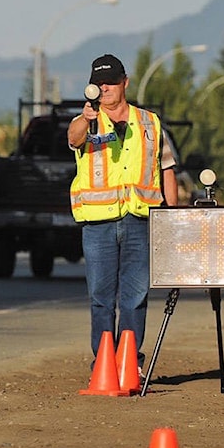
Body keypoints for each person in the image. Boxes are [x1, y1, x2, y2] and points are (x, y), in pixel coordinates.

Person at [66, 53, 178, 373]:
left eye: (111, 82)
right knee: (101, 297)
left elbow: (166, 167)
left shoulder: (150, 122)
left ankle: (131, 363)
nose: (105, 89)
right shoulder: (87, 121)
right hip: (99, 223)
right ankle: (103, 363)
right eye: (99, 84)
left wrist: (170, 216)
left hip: (140, 220)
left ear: (124, 83)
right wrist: (87, 118)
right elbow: (73, 139)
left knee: (135, 297)